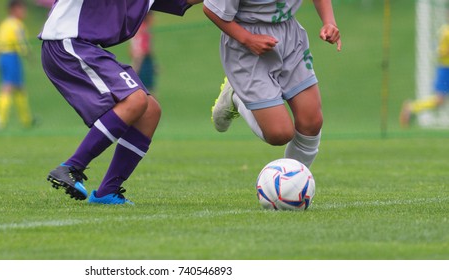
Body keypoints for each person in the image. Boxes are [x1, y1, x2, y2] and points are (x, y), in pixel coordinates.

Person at [40, 0, 203, 205]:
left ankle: (107, 192)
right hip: (66, 42)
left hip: (84, 46)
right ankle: (71, 167)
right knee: (134, 100)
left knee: (150, 112)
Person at [205, 0, 341, 168]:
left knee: (311, 122)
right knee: (279, 134)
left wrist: (329, 22)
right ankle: (236, 96)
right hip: (246, 45)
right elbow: (211, 9)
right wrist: (248, 39)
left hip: (289, 36)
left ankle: (291, 188)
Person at [0, 0, 34, 129]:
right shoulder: (16, 25)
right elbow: (21, 42)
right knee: (8, 87)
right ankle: (0, 121)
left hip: (4, 57)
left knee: (19, 88)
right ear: (14, 10)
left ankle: (27, 121)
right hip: (11, 57)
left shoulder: (4, 24)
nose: (24, 12)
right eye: (22, 9)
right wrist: (28, 54)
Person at [400, 24, 449, 127]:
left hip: (444, 68)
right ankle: (411, 108)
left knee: (439, 101)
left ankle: (412, 108)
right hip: (446, 69)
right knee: (439, 101)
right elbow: (441, 52)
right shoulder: (446, 32)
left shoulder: (444, 30)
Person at [130, 12, 157, 93]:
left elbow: (132, 48)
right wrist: (136, 66)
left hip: (141, 60)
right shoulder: (144, 30)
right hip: (143, 62)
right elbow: (143, 50)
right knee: (148, 91)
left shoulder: (137, 27)